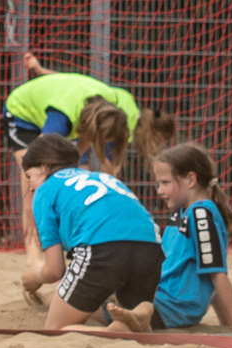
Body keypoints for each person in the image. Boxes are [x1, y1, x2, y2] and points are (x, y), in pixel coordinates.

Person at [4, 59, 175, 270]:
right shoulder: (63, 117)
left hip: (74, 113)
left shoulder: (111, 106)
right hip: (23, 114)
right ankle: (33, 255)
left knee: (78, 175)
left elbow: (70, 81)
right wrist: (30, 210)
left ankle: (82, 240)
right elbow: (34, 163)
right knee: (35, 174)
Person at [19, 134, 162, 330]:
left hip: (101, 248)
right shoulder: (101, 177)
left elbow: (54, 270)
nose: (30, 186)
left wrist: (35, 278)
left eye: (29, 176)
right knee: (120, 311)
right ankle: (142, 309)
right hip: (150, 248)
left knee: (54, 329)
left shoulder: (45, 191)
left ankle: (114, 332)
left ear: (44, 167)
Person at [108, 143, 232, 333]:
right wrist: (225, 325)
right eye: (158, 184)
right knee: (90, 304)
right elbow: (208, 278)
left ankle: (136, 316)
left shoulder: (201, 214)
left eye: (165, 183)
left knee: (104, 318)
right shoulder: (183, 212)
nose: (159, 191)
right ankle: (135, 314)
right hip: (160, 300)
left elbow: (217, 274)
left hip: (171, 309)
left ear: (190, 180)